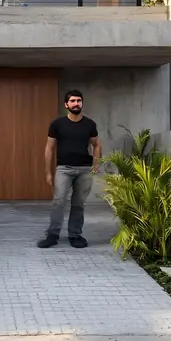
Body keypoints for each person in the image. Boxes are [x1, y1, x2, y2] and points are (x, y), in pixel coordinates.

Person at [37, 90, 101, 249]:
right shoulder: (57, 124)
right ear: (66, 104)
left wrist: (96, 165)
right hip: (64, 168)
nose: (76, 103)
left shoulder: (90, 124)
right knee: (59, 201)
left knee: (78, 204)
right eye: (72, 101)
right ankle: (52, 235)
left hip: (84, 170)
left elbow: (96, 144)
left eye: (79, 100)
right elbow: (49, 148)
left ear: (82, 103)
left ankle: (75, 235)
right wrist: (48, 172)